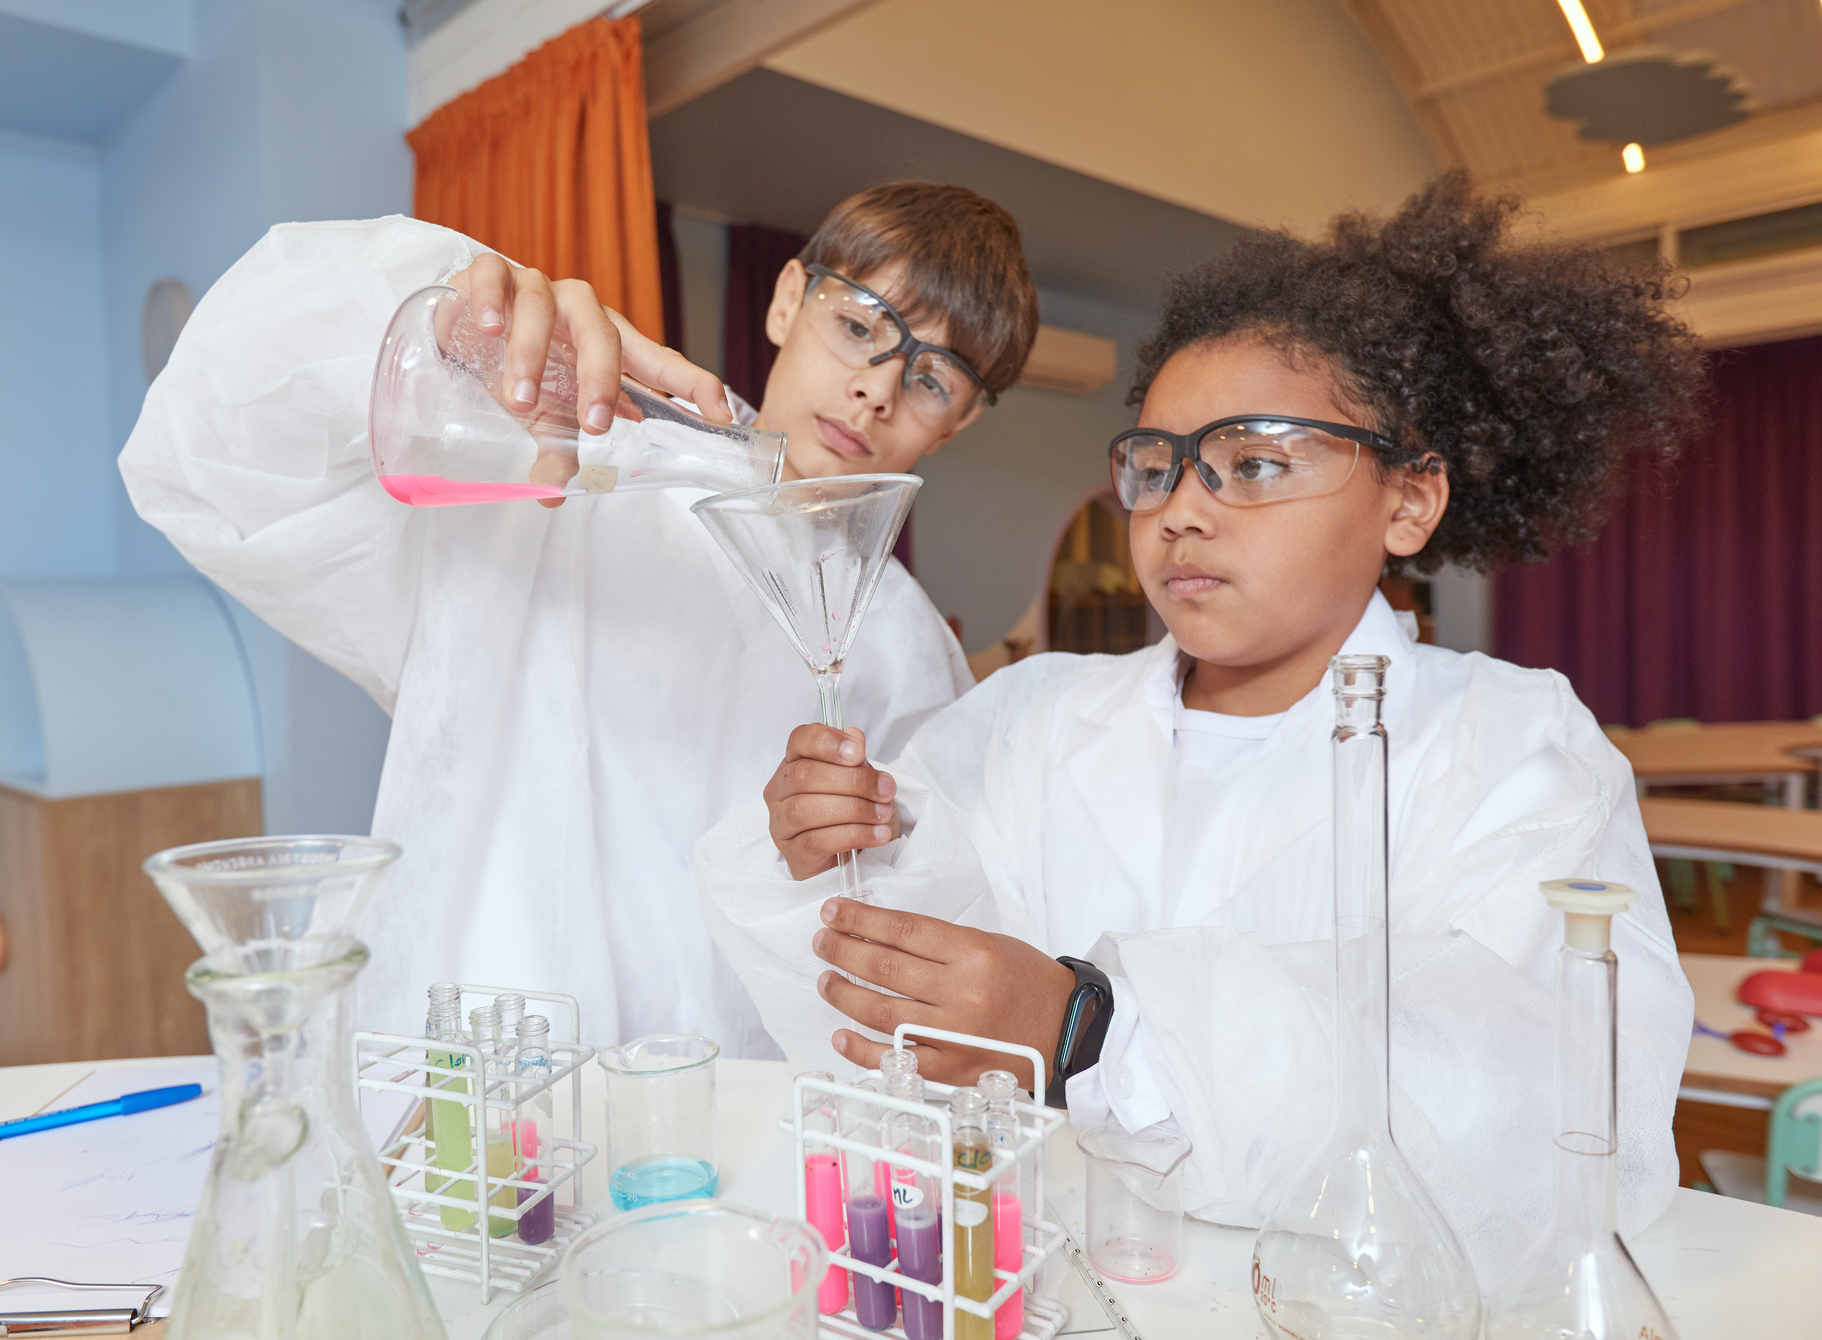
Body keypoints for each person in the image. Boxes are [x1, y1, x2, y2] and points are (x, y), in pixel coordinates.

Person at [692, 175, 1702, 1281]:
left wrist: (1095, 1029)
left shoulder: (1511, 745)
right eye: (1156, 462)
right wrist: (824, 854)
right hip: (1046, 1285)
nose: (1182, 505)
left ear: (1408, 500)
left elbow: (1546, 1095)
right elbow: (879, 1013)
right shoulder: (1028, 718)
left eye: (1256, 461)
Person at [119, 182, 1040, 1052]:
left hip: (744, 1109)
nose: (877, 388)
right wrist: (443, 321)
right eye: (856, 327)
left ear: (956, 423)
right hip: (480, 1075)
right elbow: (212, 455)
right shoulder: (569, 471)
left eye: (932, 381)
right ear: (787, 299)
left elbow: (920, 931)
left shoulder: (909, 646)